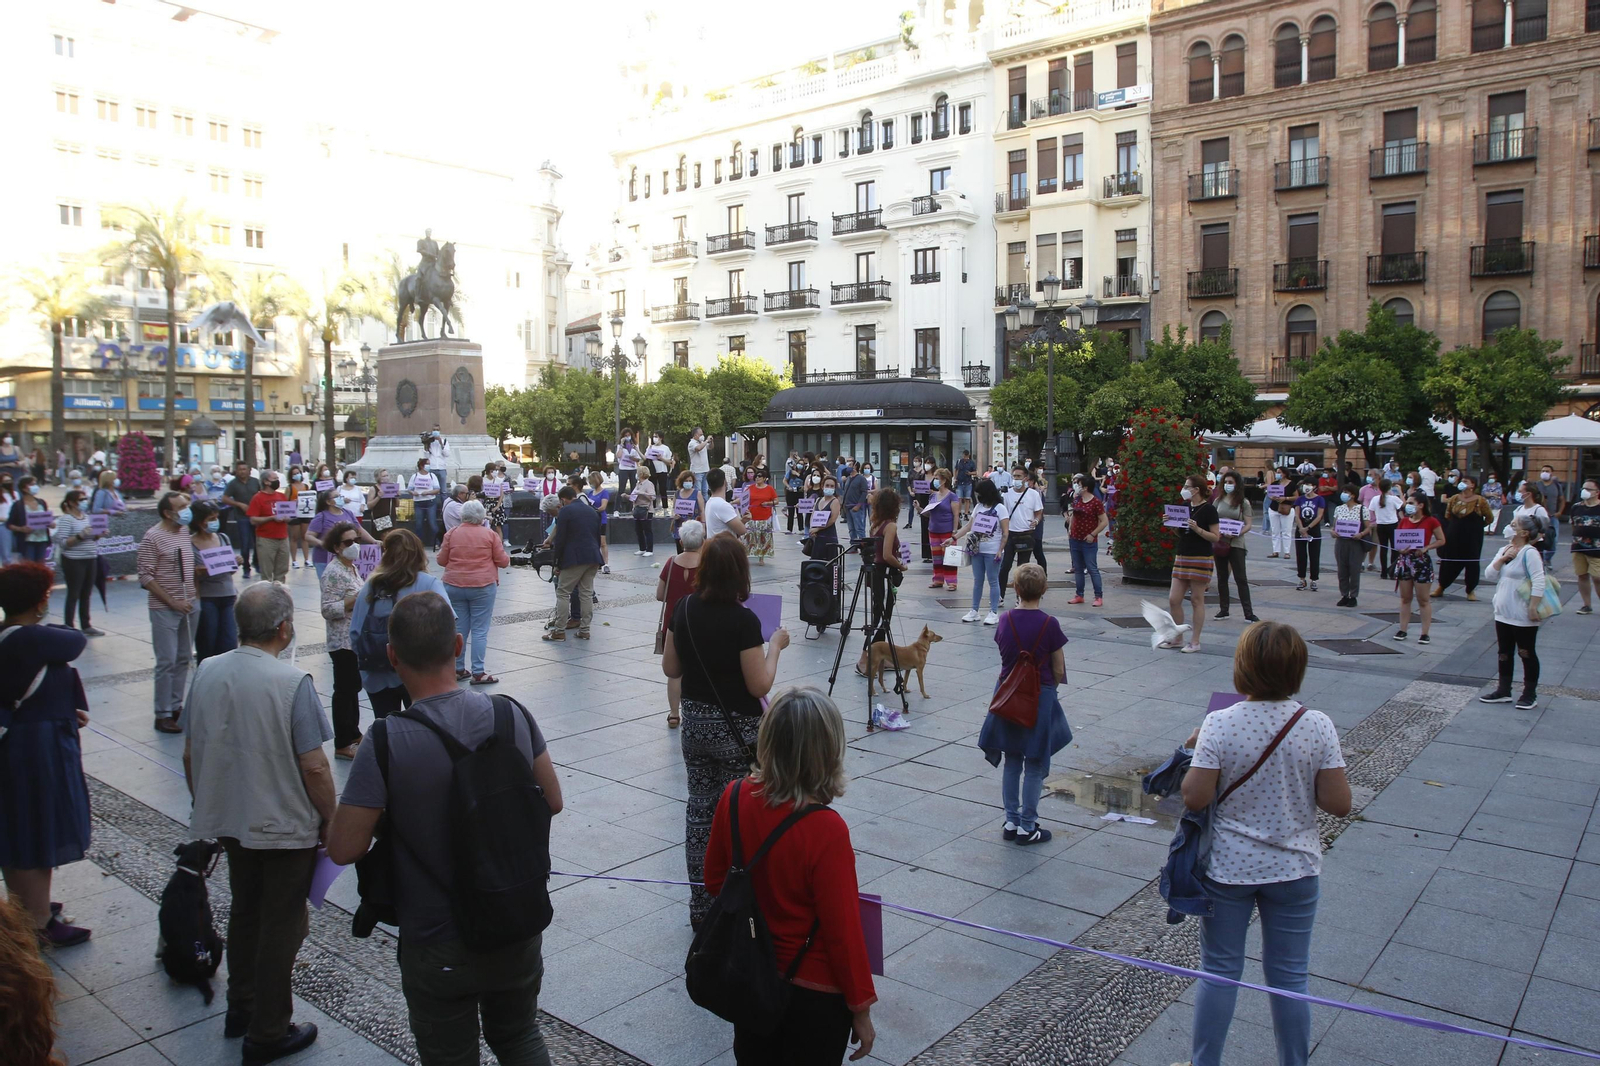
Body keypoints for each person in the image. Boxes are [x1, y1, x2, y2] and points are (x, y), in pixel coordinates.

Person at [326, 592, 562, 1066]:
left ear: (393, 657)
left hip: (436, 938)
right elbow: (552, 801)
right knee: (519, 1035)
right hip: (513, 919)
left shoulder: (387, 740)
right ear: (458, 645)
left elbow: (344, 847)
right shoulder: (509, 713)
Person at [1180, 621, 1351, 1066]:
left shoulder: (1219, 723)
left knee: (1219, 972)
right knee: (1290, 977)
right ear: (1298, 668)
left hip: (1229, 870)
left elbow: (1195, 797)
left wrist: (1194, 750)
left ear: (1243, 667)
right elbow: (1339, 803)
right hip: (1295, 869)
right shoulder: (1317, 725)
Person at [183, 582, 332, 1063]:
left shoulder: (206, 669)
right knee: (283, 925)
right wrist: (332, 818)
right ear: (284, 627)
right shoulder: (291, 682)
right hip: (283, 823)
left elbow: (191, 752)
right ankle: (268, 1030)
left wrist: (207, 801)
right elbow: (314, 765)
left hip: (231, 817)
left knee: (246, 909)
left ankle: (240, 1007)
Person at [702, 688, 877, 1064]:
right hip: (812, 991)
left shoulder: (733, 797)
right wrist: (861, 1008)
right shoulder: (826, 829)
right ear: (826, 752)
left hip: (751, 975)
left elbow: (716, 880)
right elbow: (843, 932)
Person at [662, 533, 788, 928]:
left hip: (696, 725)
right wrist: (777, 647)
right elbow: (760, 686)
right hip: (738, 732)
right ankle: (740, 904)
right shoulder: (744, 620)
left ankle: (701, 904)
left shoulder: (682, 608)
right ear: (740, 572)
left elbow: (671, 669)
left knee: (700, 810)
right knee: (739, 814)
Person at [0, 561, 94, 947]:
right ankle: (37, 924)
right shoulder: (30, 639)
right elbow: (74, 640)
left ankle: (29, 908)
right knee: (36, 832)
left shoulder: (10, 635)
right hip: (34, 752)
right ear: (41, 600)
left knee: (22, 830)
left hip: (26, 741)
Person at [978, 563, 1072, 846]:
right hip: (1039, 695)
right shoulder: (1049, 623)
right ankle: (1028, 825)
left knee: (1012, 758)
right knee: (1035, 761)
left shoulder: (1005, 620)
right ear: (1044, 590)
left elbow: (1005, 656)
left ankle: (1011, 820)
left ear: (1015, 589)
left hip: (1007, 693)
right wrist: (1049, 691)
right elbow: (1058, 668)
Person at [350, 528, 453, 717]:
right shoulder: (429, 584)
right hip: (420, 674)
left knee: (386, 725)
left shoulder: (371, 586)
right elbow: (448, 625)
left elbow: (355, 633)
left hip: (377, 673)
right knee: (425, 726)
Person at [1479, 515, 1548, 709]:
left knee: (1526, 652)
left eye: (1513, 525)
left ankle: (1529, 693)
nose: (1509, 527)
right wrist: (1502, 559)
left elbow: (1539, 580)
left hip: (1522, 612)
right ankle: (1503, 690)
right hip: (1503, 610)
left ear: (1524, 533)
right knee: (1504, 652)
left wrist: (1533, 606)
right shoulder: (1505, 549)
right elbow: (1489, 575)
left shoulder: (1530, 553)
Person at [140, 491, 195, 734]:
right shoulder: (152, 537)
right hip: (165, 607)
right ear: (167, 513)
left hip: (189, 604)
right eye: (181, 506)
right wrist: (172, 601)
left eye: (187, 505)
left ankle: (175, 706)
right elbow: (146, 576)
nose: (187, 509)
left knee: (183, 657)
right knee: (167, 660)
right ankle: (161, 713)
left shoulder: (183, 532)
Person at [438, 500, 509, 685]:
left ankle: (458, 668)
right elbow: (503, 561)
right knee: (480, 630)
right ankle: (478, 672)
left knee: (459, 628)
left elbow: (441, 560)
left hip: (454, 585)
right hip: (482, 585)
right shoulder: (490, 534)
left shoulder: (452, 533)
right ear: (481, 516)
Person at [318, 521, 366, 760]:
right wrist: (356, 599)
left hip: (354, 638)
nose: (354, 545)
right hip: (341, 640)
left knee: (353, 687)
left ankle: (354, 732)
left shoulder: (351, 568)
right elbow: (328, 609)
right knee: (344, 690)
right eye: (348, 542)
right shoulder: (334, 572)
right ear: (337, 547)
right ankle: (342, 742)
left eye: (355, 540)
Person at [656, 520, 705, 729]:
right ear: (702, 540)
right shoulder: (707, 565)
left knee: (675, 671)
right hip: (700, 625)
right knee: (700, 669)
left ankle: (674, 714)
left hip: (673, 624)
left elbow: (660, 595)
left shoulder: (671, 562)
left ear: (681, 540)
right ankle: (698, 711)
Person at [540, 487, 603, 642]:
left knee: (562, 591)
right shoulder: (591, 511)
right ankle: (585, 630)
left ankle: (559, 631)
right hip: (593, 556)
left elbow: (561, 540)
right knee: (586, 593)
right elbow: (596, 536)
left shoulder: (565, 512)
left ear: (563, 499)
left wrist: (557, 564)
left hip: (575, 558)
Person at [188, 501, 240, 663]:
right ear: (199, 521)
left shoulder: (223, 537)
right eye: (211, 518)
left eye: (216, 517)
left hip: (227, 594)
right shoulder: (190, 543)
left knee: (229, 642)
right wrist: (202, 570)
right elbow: (191, 573)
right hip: (206, 597)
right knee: (207, 643)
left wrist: (234, 562)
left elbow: (230, 570)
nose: (215, 521)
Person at [952, 479, 1009, 624]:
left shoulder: (1000, 509)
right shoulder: (978, 507)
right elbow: (968, 526)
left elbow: (1005, 532)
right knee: (978, 580)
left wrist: (1000, 550)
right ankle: (974, 610)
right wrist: (954, 537)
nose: (978, 496)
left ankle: (993, 612)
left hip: (992, 550)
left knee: (993, 580)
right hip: (977, 549)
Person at [1392, 492, 1445, 644]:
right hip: (1405, 561)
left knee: (1423, 599)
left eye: (1411, 502)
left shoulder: (1431, 521)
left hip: (1421, 561)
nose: (1407, 506)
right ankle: (1403, 629)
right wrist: (1400, 549)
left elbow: (1441, 540)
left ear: (1421, 505)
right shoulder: (1403, 521)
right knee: (1405, 598)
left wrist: (1427, 547)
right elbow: (1400, 540)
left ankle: (1425, 632)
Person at [1433, 476, 1494, 602]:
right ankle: (1441, 586)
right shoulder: (1454, 498)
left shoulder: (1480, 501)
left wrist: (1477, 527)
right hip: (1454, 534)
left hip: (1472, 537)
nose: (1462, 483)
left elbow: (1489, 518)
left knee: (1472, 562)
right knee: (1448, 560)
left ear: (1473, 485)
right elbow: (1448, 515)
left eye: (1466, 482)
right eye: (1462, 481)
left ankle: (1470, 589)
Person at [53, 489, 103, 634]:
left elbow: (91, 537)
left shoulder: (87, 517)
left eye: (85, 499)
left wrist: (97, 535)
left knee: (86, 593)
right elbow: (63, 542)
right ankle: (69, 625)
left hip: (90, 557)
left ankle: (86, 624)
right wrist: (80, 536)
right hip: (74, 560)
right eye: (81, 500)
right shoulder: (66, 519)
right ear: (71, 503)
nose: (84, 502)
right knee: (74, 592)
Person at [995, 465, 1043, 600]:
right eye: (1014, 476)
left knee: (1022, 568)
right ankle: (1000, 595)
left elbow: (1039, 512)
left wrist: (1036, 521)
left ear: (1025, 478)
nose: (1016, 479)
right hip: (1010, 534)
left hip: (1026, 534)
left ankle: (1020, 597)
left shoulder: (1033, 494)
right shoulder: (1006, 494)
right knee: (1005, 566)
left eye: (1018, 476)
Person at [1213, 474, 1257, 621]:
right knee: (1222, 577)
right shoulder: (1218, 501)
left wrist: (1237, 533)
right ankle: (1223, 609)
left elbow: (1248, 524)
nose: (1227, 484)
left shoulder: (1243, 503)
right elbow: (1211, 518)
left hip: (1236, 543)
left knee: (1240, 578)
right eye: (1225, 482)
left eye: (1230, 482)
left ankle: (1248, 613)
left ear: (1237, 484)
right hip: (1220, 542)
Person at [306, 491, 376, 579]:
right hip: (324, 559)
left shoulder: (348, 513)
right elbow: (308, 536)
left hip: (345, 559)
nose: (340, 498)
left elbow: (360, 530)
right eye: (336, 496)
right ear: (328, 502)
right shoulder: (321, 516)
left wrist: (374, 541)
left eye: (340, 496)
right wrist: (322, 543)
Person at [1329, 488, 1371, 608]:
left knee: (1354, 570)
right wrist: (1333, 532)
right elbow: (1335, 525)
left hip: (1355, 542)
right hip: (1341, 541)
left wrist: (1361, 534)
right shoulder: (1339, 508)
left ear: (1353, 495)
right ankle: (1344, 595)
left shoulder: (1362, 509)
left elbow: (1369, 527)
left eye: (1347, 492)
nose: (1344, 494)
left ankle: (1353, 596)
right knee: (1342, 570)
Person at [246, 472, 292, 583]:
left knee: (282, 570)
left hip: (283, 537)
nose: (277, 480)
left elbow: (289, 516)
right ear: (266, 481)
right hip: (266, 538)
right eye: (274, 478)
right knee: (266, 572)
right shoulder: (258, 498)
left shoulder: (281, 496)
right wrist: (271, 518)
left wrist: (287, 517)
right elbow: (253, 519)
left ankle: (280, 592)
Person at [222, 460, 261, 579]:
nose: (242, 472)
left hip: (256, 517)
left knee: (257, 542)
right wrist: (238, 504)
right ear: (236, 471)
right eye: (240, 469)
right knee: (244, 544)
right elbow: (224, 498)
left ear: (249, 471)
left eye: (244, 469)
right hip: (241, 517)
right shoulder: (233, 484)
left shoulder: (255, 482)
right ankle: (246, 567)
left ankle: (257, 563)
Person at [925, 469, 960, 592]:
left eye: (936, 477)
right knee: (937, 557)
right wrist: (918, 507)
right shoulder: (933, 495)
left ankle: (952, 582)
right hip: (933, 529)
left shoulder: (952, 496)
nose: (934, 480)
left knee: (950, 557)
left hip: (947, 530)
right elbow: (928, 513)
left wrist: (954, 532)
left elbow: (956, 515)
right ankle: (937, 579)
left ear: (944, 480)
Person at [1570, 479, 1600, 615]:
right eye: (1584, 488)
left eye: (1589, 489)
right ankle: (1586, 605)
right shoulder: (1576, 507)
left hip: (1596, 548)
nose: (1585, 491)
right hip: (1579, 547)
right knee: (1582, 575)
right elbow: (1573, 524)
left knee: (1597, 577)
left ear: (1597, 492)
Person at [1291, 479, 1325, 592]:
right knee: (1301, 555)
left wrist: (1308, 528)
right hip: (1300, 530)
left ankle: (1314, 580)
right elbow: (1297, 514)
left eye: (1309, 484)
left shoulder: (1319, 499)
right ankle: (1301, 579)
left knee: (1314, 555)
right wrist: (1301, 528)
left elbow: (1319, 516)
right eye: (1305, 484)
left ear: (1314, 486)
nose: (1306, 486)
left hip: (1313, 530)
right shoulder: (1300, 499)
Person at [7, 478, 51, 564]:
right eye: (31, 484)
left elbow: (46, 518)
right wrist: (21, 529)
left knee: (41, 566)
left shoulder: (41, 502)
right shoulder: (18, 505)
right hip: (27, 541)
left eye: (35, 484)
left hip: (42, 539)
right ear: (24, 488)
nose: (35, 486)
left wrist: (50, 523)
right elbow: (9, 524)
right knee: (29, 566)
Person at [1367, 477, 1403, 580]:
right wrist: (1400, 491)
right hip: (1392, 524)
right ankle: (1392, 571)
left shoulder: (1375, 499)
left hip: (1380, 525)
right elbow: (1402, 505)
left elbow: (1372, 510)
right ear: (1389, 488)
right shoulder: (1393, 498)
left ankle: (1383, 572)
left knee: (1383, 548)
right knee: (1394, 549)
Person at [744, 468, 778, 564]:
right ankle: (748, 555)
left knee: (763, 537)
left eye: (759, 476)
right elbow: (743, 499)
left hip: (764, 517)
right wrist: (734, 502)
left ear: (764, 478)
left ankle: (761, 557)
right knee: (750, 537)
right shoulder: (750, 488)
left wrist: (767, 503)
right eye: (756, 476)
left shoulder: (769, 489)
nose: (757, 478)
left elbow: (776, 501)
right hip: (752, 516)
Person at [806, 474, 842, 559]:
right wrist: (812, 529)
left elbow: (832, 519)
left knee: (828, 563)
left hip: (828, 536)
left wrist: (818, 528)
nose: (829, 488)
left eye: (832, 486)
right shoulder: (818, 500)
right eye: (827, 485)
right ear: (822, 486)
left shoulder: (835, 501)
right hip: (817, 537)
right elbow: (813, 515)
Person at [583, 471, 613, 574]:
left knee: (602, 542)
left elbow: (603, 507)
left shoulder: (604, 492)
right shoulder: (590, 493)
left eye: (591, 482)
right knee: (593, 542)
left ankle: (605, 563)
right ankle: (596, 561)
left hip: (601, 519)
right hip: (592, 520)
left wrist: (593, 510)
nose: (590, 484)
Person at [1538, 464, 1567, 568]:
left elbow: (1562, 499)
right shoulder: (1537, 485)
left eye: (1547, 471)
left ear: (1551, 473)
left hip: (1552, 517)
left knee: (1553, 541)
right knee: (1538, 540)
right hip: (1539, 517)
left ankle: (1547, 559)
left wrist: (1560, 512)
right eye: (1543, 471)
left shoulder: (1556, 486)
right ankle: (1539, 561)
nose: (1544, 473)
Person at [703, 468, 745, 541]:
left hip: (714, 546)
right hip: (724, 549)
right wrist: (743, 522)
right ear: (724, 482)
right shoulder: (722, 505)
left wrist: (743, 520)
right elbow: (742, 530)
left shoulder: (710, 502)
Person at [284, 467, 313, 570]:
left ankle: (307, 559)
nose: (297, 475)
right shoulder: (289, 488)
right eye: (294, 473)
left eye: (298, 473)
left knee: (305, 537)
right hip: (294, 514)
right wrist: (293, 502)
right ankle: (294, 560)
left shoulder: (305, 486)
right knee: (294, 537)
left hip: (305, 513)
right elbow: (285, 502)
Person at [670, 470, 704, 553]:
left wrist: (703, 525)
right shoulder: (677, 493)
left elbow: (702, 510)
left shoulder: (697, 493)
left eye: (690, 481)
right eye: (686, 481)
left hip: (693, 527)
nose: (688, 482)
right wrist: (674, 515)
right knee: (680, 551)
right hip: (679, 526)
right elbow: (673, 508)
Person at [412, 458, 442, 550]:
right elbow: (409, 489)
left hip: (430, 502)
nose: (429, 466)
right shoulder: (415, 476)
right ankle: (418, 543)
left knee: (432, 523)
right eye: (427, 464)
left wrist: (428, 492)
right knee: (418, 524)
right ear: (422, 466)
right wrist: (413, 493)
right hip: (418, 502)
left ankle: (438, 542)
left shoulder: (432, 476)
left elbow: (437, 489)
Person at [838, 461, 869, 542]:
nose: (848, 467)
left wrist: (858, 505)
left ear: (855, 467)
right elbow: (845, 491)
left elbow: (864, 492)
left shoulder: (861, 478)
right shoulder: (848, 478)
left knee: (859, 528)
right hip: (848, 507)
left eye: (850, 465)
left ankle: (864, 546)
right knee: (851, 529)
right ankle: (854, 545)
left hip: (856, 508)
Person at [629, 473, 657, 556]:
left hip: (646, 510)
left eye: (638, 472)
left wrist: (642, 493)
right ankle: (642, 548)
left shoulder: (648, 484)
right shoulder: (638, 484)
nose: (636, 474)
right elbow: (634, 496)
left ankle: (649, 550)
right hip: (637, 509)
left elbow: (653, 497)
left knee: (647, 530)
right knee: (638, 530)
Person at [616, 430, 643, 499]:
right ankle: (617, 508)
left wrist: (633, 458)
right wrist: (622, 444)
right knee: (621, 489)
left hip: (633, 468)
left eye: (629, 435)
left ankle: (633, 505)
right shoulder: (620, 446)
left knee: (634, 488)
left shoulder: (635, 445)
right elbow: (618, 456)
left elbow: (638, 458)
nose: (627, 437)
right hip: (623, 468)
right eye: (626, 436)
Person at [687, 426, 711, 500]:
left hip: (705, 470)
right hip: (697, 471)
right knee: (698, 492)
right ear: (695, 435)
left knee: (705, 491)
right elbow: (698, 448)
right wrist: (706, 441)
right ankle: (698, 508)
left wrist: (711, 441)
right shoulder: (692, 443)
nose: (702, 436)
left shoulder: (702, 443)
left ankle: (705, 508)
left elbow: (710, 447)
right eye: (700, 434)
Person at [954, 449, 976, 517]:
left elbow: (975, 472)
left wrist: (970, 473)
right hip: (959, 482)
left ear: (968, 456)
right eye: (964, 456)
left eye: (966, 456)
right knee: (959, 498)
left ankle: (966, 513)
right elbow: (956, 470)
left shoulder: (971, 462)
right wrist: (955, 478)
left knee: (967, 498)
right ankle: (959, 512)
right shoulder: (959, 461)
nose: (965, 458)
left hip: (968, 482)